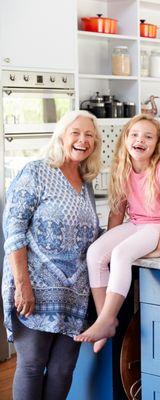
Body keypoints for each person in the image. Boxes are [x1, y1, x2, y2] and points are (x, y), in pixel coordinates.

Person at [2, 110, 102, 400]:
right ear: (61, 135)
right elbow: (14, 230)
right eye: (76, 133)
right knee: (32, 365)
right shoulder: (36, 172)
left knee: (63, 369)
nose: (83, 140)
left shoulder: (86, 183)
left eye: (89, 136)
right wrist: (22, 285)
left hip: (73, 292)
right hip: (34, 288)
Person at [74, 114, 160, 353]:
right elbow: (117, 211)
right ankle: (107, 320)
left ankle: (104, 320)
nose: (140, 140)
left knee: (122, 254)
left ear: (157, 144)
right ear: (125, 139)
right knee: (95, 253)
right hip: (138, 226)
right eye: (134, 134)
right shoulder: (123, 168)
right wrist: (107, 243)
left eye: (148, 136)